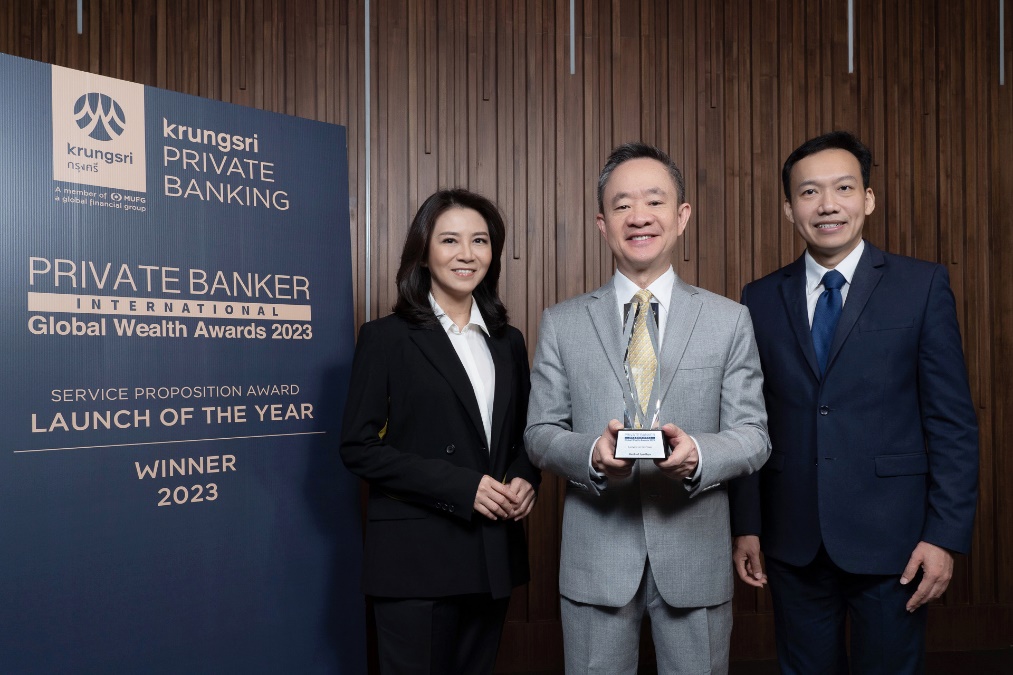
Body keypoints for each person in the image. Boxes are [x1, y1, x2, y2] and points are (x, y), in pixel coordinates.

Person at [728, 131, 979, 674]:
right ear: (789, 208)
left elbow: (952, 423)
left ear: (867, 198)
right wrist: (747, 524)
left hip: (896, 541)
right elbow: (750, 420)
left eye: (843, 188)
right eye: (809, 192)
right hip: (792, 539)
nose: (827, 205)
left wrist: (944, 535)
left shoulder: (922, 286)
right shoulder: (759, 297)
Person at [524, 142, 770, 674]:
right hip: (596, 559)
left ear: (681, 217)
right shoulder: (562, 323)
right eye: (622, 205)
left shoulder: (729, 320)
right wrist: (590, 454)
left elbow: (754, 433)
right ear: (602, 224)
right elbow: (540, 432)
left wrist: (698, 453)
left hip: (695, 554)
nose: (639, 216)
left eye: (655, 202)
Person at [340, 189, 540, 674]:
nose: (466, 254)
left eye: (480, 241)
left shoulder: (508, 341)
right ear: (424, 252)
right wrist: (463, 487)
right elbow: (358, 448)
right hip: (416, 559)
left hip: (491, 552)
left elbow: (526, 433)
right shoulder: (386, 337)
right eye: (450, 240)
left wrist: (525, 477)